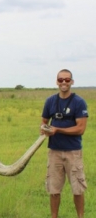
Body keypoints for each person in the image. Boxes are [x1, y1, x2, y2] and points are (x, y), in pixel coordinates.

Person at [41, 69, 88, 218]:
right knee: (54, 190)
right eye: (60, 79)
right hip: (54, 152)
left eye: (67, 80)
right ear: (56, 81)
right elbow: (43, 122)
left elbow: (81, 128)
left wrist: (57, 130)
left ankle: (80, 216)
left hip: (73, 151)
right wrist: (45, 129)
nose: (63, 83)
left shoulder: (79, 102)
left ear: (72, 82)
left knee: (77, 189)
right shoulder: (50, 101)